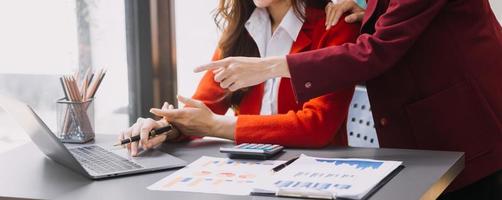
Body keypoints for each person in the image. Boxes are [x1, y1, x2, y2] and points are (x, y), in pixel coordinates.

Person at [193, 0, 502, 198]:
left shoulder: (329, 28)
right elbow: (201, 105)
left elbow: (377, 50)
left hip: (467, 130)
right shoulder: (242, 30)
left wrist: (269, 67)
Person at [119, 1, 359, 155]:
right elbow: (205, 106)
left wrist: (215, 125)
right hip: (245, 171)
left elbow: (316, 126)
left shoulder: (335, 28)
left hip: (315, 174)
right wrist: (165, 127)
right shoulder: (242, 29)